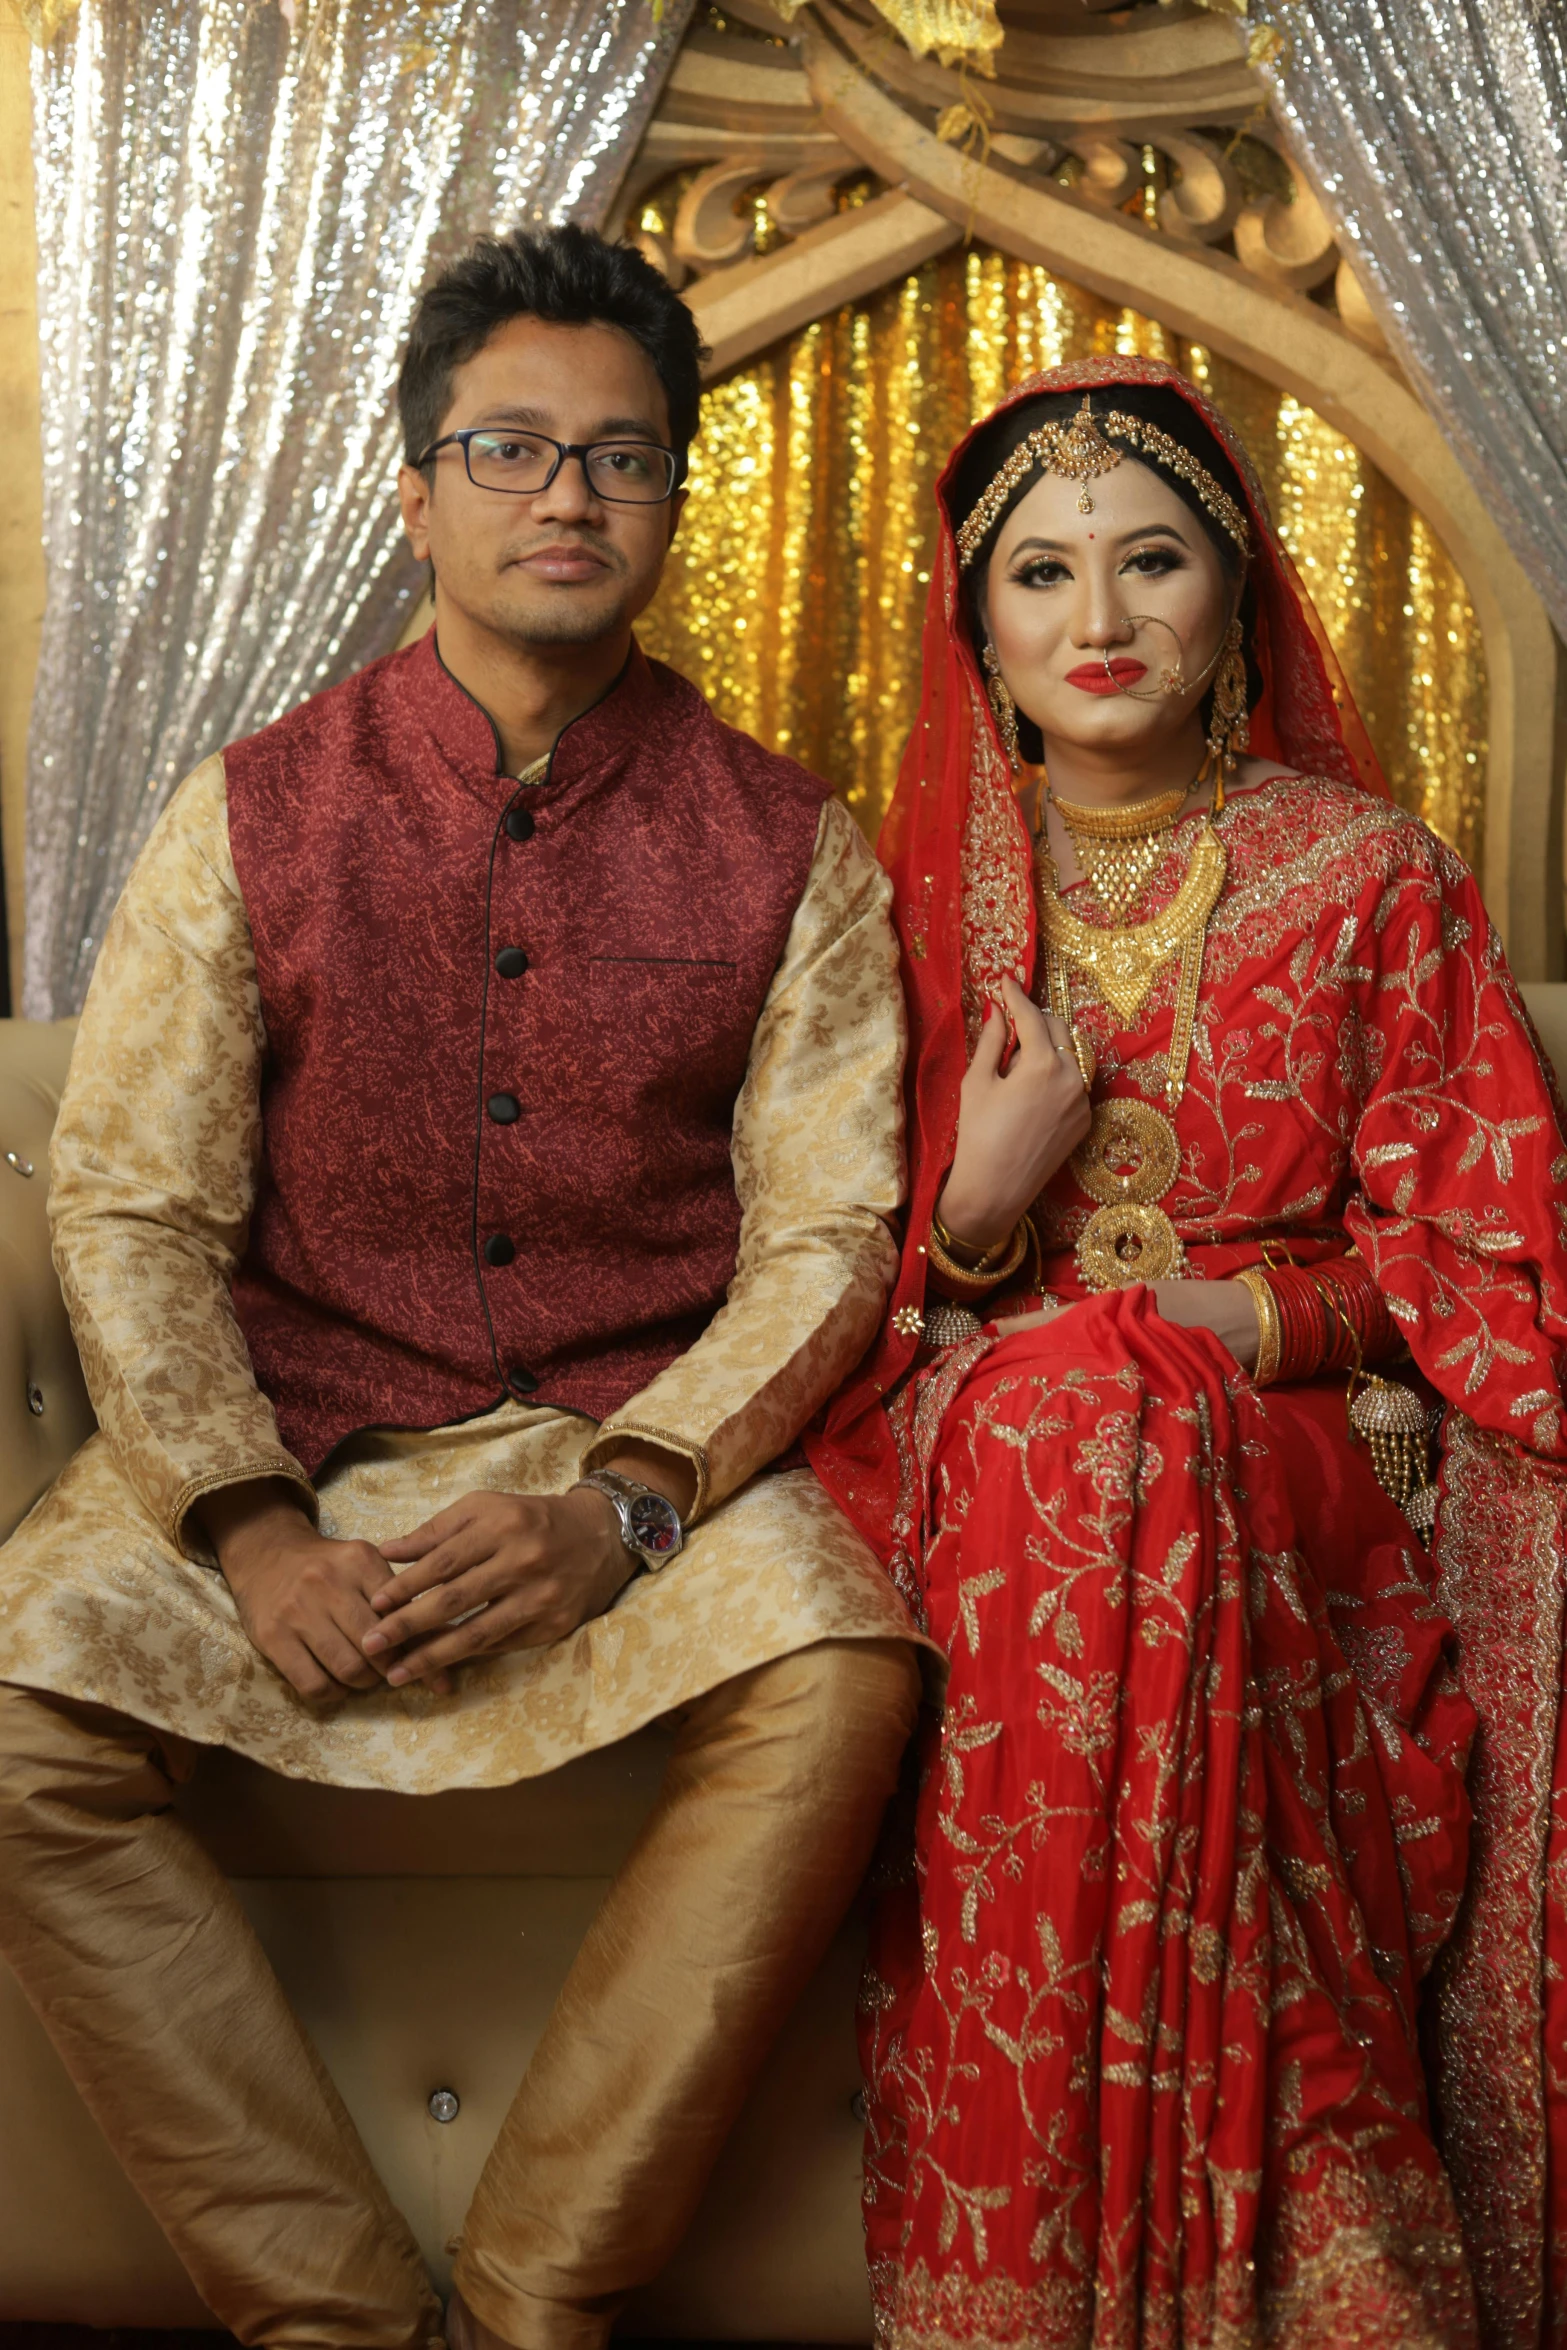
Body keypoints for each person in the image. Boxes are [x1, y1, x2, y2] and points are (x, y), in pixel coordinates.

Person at [0, 224, 927, 2348]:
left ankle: (529, 2295)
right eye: (508, 448)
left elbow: (826, 1234)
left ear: (677, 505)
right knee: (13, 1708)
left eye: (622, 457)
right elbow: (132, 1201)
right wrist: (241, 1524)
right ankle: (333, 2311)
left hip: (629, 1451)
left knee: (845, 1664)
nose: (567, 496)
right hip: (291, 1441)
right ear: (414, 492)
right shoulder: (250, 810)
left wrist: (627, 1506)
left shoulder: (793, 844)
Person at [809, 356, 1567, 2348]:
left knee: (1117, 1403)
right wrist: (981, 1204)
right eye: (1043, 574)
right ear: (983, 626)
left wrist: (1259, 1311)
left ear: (1237, 594)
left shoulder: (1371, 873)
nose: (1102, 617)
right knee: (1078, 1409)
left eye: (1152, 561)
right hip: (985, 1444)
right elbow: (811, 1267)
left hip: (1285, 1441)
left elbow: (1485, 1250)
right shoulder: (891, 911)